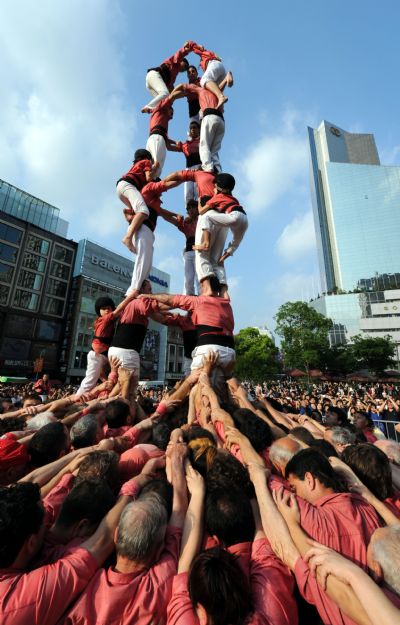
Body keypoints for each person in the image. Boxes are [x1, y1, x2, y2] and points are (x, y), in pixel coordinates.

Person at [140, 276, 235, 385]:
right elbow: (161, 318)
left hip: (206, 354)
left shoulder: (201, 305)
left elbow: (171, 300)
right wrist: (147, 308)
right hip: (192, 358)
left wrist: (148, 297)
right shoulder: (183, 321)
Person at [123, 177, 179, 297]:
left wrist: (177, 216)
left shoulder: (154, 201)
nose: (163, 192)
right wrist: (186, 177)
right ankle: (133, 291)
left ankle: (138, 289)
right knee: (142, 261)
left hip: (146, 231)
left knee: (147, 264)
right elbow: (168, 184)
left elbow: (165, 214)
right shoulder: (149, 189)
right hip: (142, 229)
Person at [108, 280, 167, 386]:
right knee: (126, 389)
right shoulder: (138, 302)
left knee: (127, 388)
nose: (151, 293)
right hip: (126, 351)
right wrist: (183, 302)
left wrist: (177, 315)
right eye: (149, 289)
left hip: (123, 350)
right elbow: (158, 306)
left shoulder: (132, 304)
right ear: (141, 290)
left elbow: (161, 317)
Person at [169, 74, 231, 173]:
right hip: (221, 121)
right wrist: (227, 78)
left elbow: (181, 86)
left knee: (204, 145)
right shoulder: (216, 91)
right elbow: (222, 84)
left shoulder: (200, 89)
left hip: (209, 116)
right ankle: (218, 171)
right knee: (214, 150)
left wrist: (171, 97)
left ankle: (208, 168)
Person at [76, 295, 134, 396]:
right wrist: (131, 297)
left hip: (104, 355)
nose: (107, 310)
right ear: (99, 311)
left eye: (109, 308)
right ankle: (78, 399)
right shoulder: (104, 320)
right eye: (103, 308)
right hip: (97, 355)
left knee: (108, 377)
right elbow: (119, 310)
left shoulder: (108, 320)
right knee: (90, 381)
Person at [194, 173, 248, 265]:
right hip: (244, 219)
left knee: (206, 217)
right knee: (235, 243)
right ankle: (222, 258)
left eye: (215, 185)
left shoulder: (217, 197)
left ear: (220, 189)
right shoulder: (233, 198)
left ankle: (205, 243)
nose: (213, 187)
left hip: (234, 217)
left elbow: (201, 211)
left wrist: (199, 200)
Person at [116, 148, 156, 250]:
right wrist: (154, 169)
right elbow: (149, 178)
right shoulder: (146, 162)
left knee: (137, 212)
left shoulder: (136, 164)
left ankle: (129, 212)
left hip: (121, 187)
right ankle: (128, 238)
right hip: (128, 185)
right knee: (144, 211)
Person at [158, 199, 199, 295]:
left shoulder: (202, 219)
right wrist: (162, 212)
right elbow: (170, 219)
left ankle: (203, 300)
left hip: (200, 251)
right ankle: (190, 299)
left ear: (198, 209)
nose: (191, 210)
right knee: (188, 280)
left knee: (200, 279)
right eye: (189, 209)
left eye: (193, 208)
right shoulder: (186, 223)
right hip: (189, 252)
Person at [143, 42, 192, 110]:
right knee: (165, 93)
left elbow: (172, 92)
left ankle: (155, 112)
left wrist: (185, 93)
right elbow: (179, 54)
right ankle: (149, 106)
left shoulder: (173, 77)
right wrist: (186, 50)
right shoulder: (174, 62)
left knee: (163, 102)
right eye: (185, 66)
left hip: (151, 82)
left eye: (186, 69)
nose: (185, 69)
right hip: (154, 75)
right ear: (181, 61)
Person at [190, 42, 234, 109]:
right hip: (221, 69)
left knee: (204, 80)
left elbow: (191, 44)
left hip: (213, 64)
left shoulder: (203, 53)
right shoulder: (211, 55)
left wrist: (196, 45)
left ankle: (221, 97)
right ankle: (226, 79)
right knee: (215, 89)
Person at [168, 121, 201, 204]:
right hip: (188, 169)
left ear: (199, 130)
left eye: (194, 127)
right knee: (188, 193)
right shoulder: (185, 145)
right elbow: (169, 147)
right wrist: (174, 141)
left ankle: (200, 212)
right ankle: (190, 212)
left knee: (198, 192)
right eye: (191, 128)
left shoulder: (203, 141)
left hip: (200, 167)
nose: (192, 129)